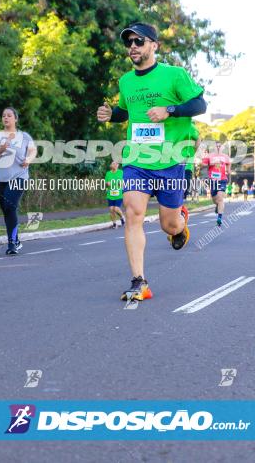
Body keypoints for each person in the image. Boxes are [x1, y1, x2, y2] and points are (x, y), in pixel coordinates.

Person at [96, 22, 206, 302]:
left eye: (138, 41)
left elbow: (200, 105)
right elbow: (128, 112)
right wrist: (112, 114)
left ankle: (180, 220)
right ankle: (139, 281)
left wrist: (170, 110)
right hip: (137, 160)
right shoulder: (126, 81)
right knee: (132, 214)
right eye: (129, 42)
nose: (132, 46)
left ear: (154, 45)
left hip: (169, 161)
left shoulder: (174, 75)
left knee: (168, 226)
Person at [0, 107, 37, 255]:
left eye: (9, 115)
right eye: (3, 116)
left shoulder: (24, 136)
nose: (6, 118)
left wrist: (28, 159)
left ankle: (11, 244)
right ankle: (16, 239)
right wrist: (1, 149)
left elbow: (33, 150)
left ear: (15, 119)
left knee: (10, 207)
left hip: (19, 177)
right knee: (7, 211)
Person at [202, 142, 231, 227]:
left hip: (222, 179)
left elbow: (229, 167)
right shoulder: (209, 156)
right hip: (213, 180)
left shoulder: (226, 157)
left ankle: (219, 218)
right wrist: (210, 163)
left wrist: (229, 171)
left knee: (220, 198)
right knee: (215, 200)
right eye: (216, 146)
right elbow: (202, 165)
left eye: (220, 146)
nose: (218, 147)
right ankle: (217, 205)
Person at [105, 160, 125, 228]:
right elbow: (106, 183)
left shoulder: (121, 172)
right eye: (113, 164)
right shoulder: (108, 173)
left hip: (118, 194)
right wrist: (107, 184)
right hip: (110, 194)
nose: (114, 165)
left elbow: (124, 183)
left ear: (117, 166)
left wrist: (121, 183)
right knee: (111, 209)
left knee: (116, 209)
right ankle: (114, 224)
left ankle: (122, 217)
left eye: (116, 164)